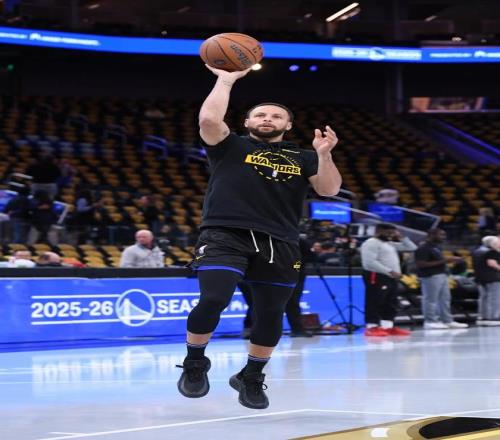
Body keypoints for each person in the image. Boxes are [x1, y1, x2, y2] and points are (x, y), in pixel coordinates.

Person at [176, 65, 341, 410]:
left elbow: (329, 190)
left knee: (270, 313)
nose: (268, 119)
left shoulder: (304, 156)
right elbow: (208, 120)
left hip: (280, 242)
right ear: (247, 122)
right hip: (225, 233)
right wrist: (226, 79)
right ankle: (195, 362)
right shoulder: (230, 146)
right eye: (260, 115)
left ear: (288, 125)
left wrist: (324, 155)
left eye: (276, 116)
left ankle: (251, 375)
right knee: (214, 298)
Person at [360, 223, 417, 337]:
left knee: (390, 302)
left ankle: (387, 327)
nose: (391, 235)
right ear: (378, 231)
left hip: (391, 277)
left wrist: (402, 237)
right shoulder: (371, 243)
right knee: (375, 301)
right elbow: (369, 263)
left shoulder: (389, 243)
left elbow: (412, 248)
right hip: (376, 275)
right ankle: (372, 327)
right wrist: (390, 271)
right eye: (388, 232)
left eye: (393, 232)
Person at [415, 228, 469, 330]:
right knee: (430, 300)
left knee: (445, 299)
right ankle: (430, 321)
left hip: (441, 275)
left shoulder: (436, 247)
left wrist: (450, 261)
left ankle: (447, 320)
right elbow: (421, 264)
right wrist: (446, 260)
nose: (444, 237)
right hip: (430, 276)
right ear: (431, 235)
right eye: (441, 235)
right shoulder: (423, 248)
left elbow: (440, 261)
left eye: (444, 235)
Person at [472, 236, 500, 325]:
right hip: (493, 277)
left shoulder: (477, 251)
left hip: (480, 278)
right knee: (494, 298)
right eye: (498, 242)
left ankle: (483, 317)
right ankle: (494, 317)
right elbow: (492, 264)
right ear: (492, 243)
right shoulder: (492, 251)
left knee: (483, 298)